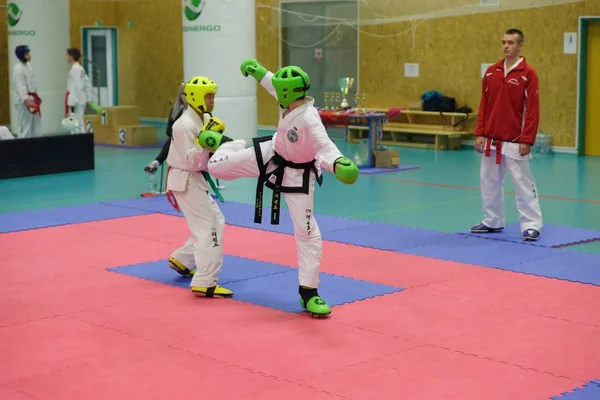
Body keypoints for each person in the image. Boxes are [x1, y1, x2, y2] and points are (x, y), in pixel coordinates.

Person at [196, 60, 359, 317]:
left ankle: (309, 293)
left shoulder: (309, 118)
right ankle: (229, 144)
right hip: (271, 154)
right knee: (216, 167)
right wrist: (258, 71)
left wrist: (338, 162)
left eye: (281, 90)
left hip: (298, 176)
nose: (277, 92)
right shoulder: (288, 99)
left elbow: (323, 145)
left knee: (307, 233)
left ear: (289, 93)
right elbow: (273, 84)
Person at [471, 28, 543, 241]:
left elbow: (532, 109)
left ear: (521, 46)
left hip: (515, 139)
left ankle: (531, 224)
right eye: (503, 42)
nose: (506, 46)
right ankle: (492, 220)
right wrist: (480, 132)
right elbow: (485, 105)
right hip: (492, 138)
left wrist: (527, 138)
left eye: (511, 42)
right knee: (489, 181)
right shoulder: (492, 71)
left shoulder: (528, 74)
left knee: (522, 183)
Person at [165, 75, 232, 298]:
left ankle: (182, 259)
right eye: (208, 96)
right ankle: (205, 281)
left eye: (213, 96)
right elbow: (191, 161)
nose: (212, 100)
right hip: (186, 178)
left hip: (194, 178)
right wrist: (205, 140)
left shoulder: (203, 117)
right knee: (209, 227)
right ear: (195, 96)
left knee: (216, 221)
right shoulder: (184, 125)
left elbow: (206, 151)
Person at [144, 83, 187, 175]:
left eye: (188, 94)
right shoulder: (175, 110)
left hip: (192, 140)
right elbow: (168, 130)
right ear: (180, 95)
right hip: (177, 140)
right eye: (183, 94)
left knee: (173, 141)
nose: (186, 97)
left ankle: (157, 162)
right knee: (172, 140)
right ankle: (156, 162)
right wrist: (177, 134)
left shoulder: (198, 111)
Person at [12, 45, 42, 138]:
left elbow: (31, 83)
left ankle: (35, 146)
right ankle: (23, 148)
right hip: (23, 101)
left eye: (29, 53)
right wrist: (27, 100)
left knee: (36, 125)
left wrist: (35, 98)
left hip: (32, 98)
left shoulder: (28, 66)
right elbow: (21, 86)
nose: (29, 55)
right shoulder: (18, 69)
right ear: (22, 55)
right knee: (25, 126)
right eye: (27, 54)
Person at [65, 47, 93, 134]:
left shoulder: (76, 69)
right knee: (79, 123)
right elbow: (87, 83)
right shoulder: (80, 68)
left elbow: (79, 86)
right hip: (79, 99)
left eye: (67, 55)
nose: (66, 57)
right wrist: (87, 98)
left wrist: (73, 102)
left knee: (76, 124)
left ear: (71, 57)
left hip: (76, 100)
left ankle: (78, 144)